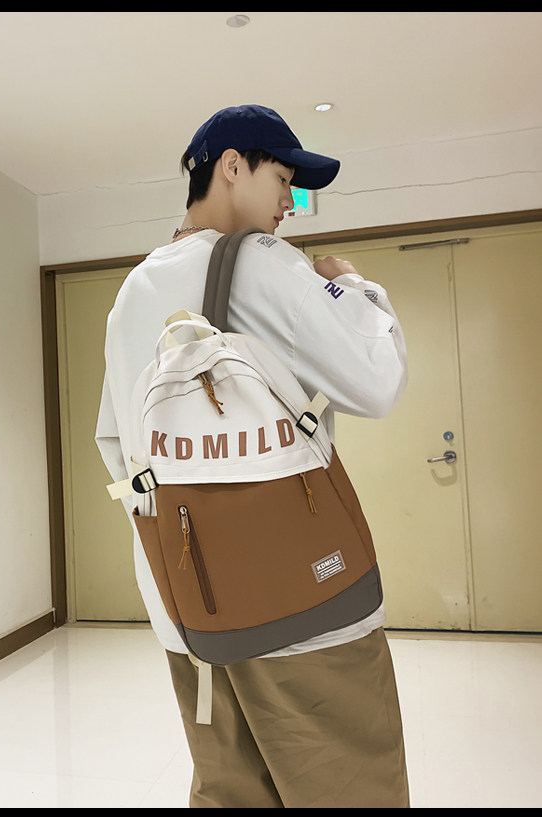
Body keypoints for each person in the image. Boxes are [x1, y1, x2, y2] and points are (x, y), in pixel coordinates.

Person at [95, 104, 410, 808]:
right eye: (283, 181)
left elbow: (115, 442)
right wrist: (355, 287)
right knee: (351, 789)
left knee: (230, 792)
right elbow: (378, 381)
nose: (289, 206)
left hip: (187, 610)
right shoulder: (264, 264)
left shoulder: (133, 292)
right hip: (300, 607)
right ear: (232, 166)